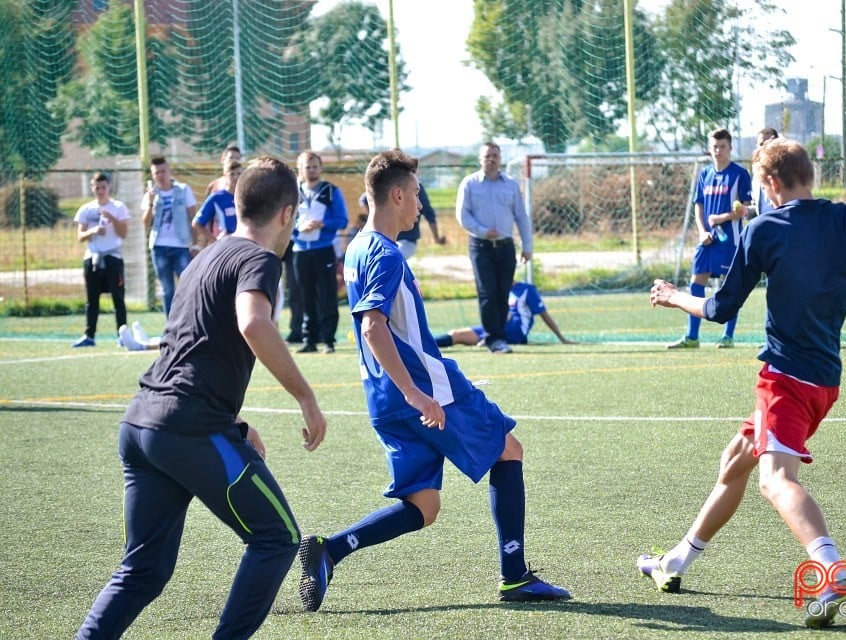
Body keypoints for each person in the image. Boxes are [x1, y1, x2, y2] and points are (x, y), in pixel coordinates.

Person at [642, 138, 846, 629]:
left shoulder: (764, 229)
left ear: (770, 184)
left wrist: (671, 295)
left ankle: (833, 569)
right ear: (809, 175)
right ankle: (676, 559)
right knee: (736, 461)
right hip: (824, 382)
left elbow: (718, 308)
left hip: (784, 380)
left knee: (775, 480)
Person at [297, 149, 570, 612]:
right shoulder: (383, 253)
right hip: (425, 389)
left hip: (382, 399)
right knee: (509, 449)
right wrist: (416, 393)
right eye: (418, 195)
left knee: (423, 506)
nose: (421, 205)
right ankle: (515, 576)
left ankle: (331, 550)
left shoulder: (357, 248)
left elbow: (380, 327)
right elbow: (372, 326)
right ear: (398, 194)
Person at [76, 157, 327, 640]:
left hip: (143, 425)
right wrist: (306, 398)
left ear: (235, 204)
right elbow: (253, 323)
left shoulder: (206, 256)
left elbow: (195, 346)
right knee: (278, 538)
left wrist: (233, 424)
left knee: (145, 569)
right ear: (288, 214)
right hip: (185, 429)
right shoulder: (260, 260)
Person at [667, 128, 751, 349]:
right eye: (714, 146)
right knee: (696, 283)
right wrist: (702, 231)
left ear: (730, 148)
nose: (718, 150)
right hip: (707, 240)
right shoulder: (705, 174)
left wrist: (723, 217)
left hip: (729, 241)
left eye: (722, 146)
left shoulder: (739, 174)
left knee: (729, 287)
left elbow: (746, 209)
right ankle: (692, 337)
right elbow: (699, 205)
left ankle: (728, 336)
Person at [456, 142, 533, 354]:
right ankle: (495, 339)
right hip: (481, 246)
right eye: (487, 155)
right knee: (487, 292)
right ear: (480, 159)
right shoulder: (469, 183)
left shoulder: (510, 184)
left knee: (502, 293)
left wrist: (527, 246)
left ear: (500, 159)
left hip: (506, 246)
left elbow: (521, 216)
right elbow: (463, 215)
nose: (491, 159)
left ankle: (496, 335)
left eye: (495, 156)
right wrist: (482, 230)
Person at [291, 150, 348, 354]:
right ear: (300, 169)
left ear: (321, 168)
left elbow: (342, 220)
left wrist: (322, 224)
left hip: (324, 250)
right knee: (305, 296)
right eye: (307, 166)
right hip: (300, 251)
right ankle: (309, 339)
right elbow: (284, 221)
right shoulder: (292, 192)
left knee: (327, 295)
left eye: (315, 166)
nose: (312, 170)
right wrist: (298, 229)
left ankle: (328, 340)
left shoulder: (331, 191)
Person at [72, 172, 131, 348]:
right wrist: (94, 231)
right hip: (93, 258)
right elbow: (80, 236)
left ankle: (122, 334)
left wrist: (111, 218)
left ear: (108, 187)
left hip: (113, 258)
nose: (100, 191)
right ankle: (89, 335)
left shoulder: (118, 207)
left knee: (118, 298)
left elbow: (124, 233)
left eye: (103, 187)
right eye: (97, 188)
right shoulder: (86, 209)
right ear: (92, 188)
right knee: (92, 300)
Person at [434, 280, 574, 348]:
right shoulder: (497, 290)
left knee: (504, 316)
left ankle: (492, 339)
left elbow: (544, 314)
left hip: (515, 330)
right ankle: (422, 346)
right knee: (456, 334)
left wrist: (561, 338)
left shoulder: (526, 289)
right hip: (496, 326)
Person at [142, 155, 200, 318]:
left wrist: (194, 244)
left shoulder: (183, 190)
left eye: (163, 171)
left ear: (169, 171)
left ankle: (190, 321)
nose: (160, 175)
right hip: (159, 246)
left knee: (188, 286)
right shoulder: (151, 194)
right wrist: (150, 202)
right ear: (152, 175)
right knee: (167, 289)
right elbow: (145, 223)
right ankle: (171, 325)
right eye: (156, 173)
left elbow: (192, 218)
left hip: (181, 246)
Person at [193, 160, 244, 246]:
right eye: (232, 174)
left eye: (239, 174)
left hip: (244, 244)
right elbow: (197, 223)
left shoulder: (246, 196)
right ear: (225, 176)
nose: (236, 177)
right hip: (226, 245)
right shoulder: (217, 198)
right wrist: (214, 241)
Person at [753, 128, 780, 216]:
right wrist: (745, 211)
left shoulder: (785, 170)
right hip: (764, 226)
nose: (764, 147)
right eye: (761, 144)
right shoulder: (756, 173)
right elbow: (759, 206)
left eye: (768, 143)